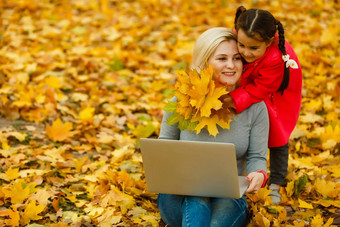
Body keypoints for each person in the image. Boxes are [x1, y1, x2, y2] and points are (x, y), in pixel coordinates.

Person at [157, 27, 269, 227]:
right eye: (222, 58)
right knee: (196, 200)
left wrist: (258, 174)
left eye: (236, 58)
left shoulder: (256, 107)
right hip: (179, 194)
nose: (231, 65)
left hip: (228, 194)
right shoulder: (180, 102)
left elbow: (256, 158)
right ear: (205, 62)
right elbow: (163, 150)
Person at [224, 6, 302, 204]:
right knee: (247, 121)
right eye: (241, 45)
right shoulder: (243, 36)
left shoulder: (275, 59)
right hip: (253, 79)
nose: (245, 52)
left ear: (268, 43)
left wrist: (234, 99)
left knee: (277, 132)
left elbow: (259, 89)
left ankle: (276, 180)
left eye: (253, 48)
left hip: (277, 91)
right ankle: (245, 167)